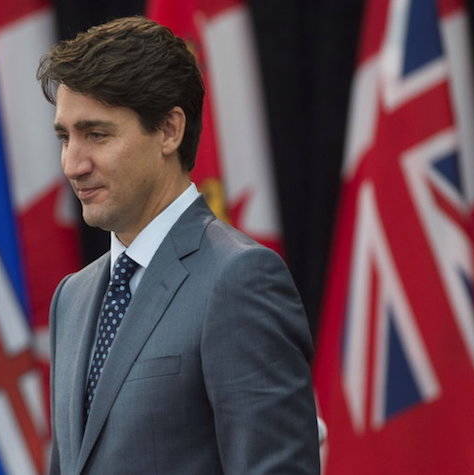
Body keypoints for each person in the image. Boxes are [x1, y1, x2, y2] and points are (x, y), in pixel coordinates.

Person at [38, 16, 320, 474]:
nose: (73, 164)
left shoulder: (240, 279)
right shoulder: (71, 297)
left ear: (169, 130)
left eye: (96, 134)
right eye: (64, 137)